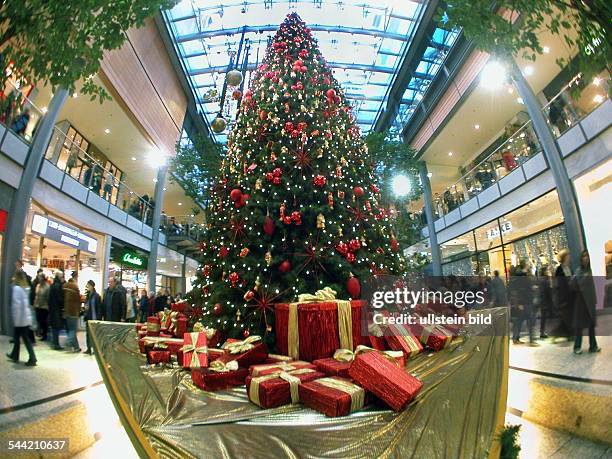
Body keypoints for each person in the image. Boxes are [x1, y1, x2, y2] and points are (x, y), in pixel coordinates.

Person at [572, 250, 601, 354]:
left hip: (590, 301)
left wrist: (595, 300)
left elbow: (591, 286)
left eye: (587, 256)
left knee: (591, 325)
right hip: (581, 302)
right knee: (579, 326)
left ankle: (593, 346)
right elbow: (577, 285)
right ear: (581, 259)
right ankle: (577, 347)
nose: (586, 258)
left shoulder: (589, 270)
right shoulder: (579, 271)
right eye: (584, 256)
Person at [6, 271, 37, 366]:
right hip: (25, 317)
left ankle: (32, 358)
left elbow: (17, 305)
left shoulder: (17, 289)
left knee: (24, 338)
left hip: (20, 319)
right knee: (18, 337)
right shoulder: (26, 288)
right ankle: (14, 355)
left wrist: (16, 319)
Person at [510, 259, 537, 345]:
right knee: (528, 320)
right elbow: (520, 290)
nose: (529, 265)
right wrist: (520, 303)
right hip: (525, 302)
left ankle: (516, 338)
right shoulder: (521, 276)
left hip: (526, 301)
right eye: (528, 263)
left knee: (520, 320)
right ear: (525, 265)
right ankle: (531, 340)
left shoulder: (522, 275)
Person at [554, 250, 574, 340]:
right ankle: (570, 335)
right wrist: (561, 300)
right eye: (568, 256)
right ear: (564, 257)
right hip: (564, 298)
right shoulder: (559, 269)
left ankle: (564, 334)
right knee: (567, 318)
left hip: (570, 296)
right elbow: (559, 285)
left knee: (566, 318)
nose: (569, 257)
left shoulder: (569, 268)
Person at [63, 275, 82, 352]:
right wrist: (79, 310)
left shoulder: (64, 286)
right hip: (74, 312)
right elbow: (78, 301)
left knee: (70, 329)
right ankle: (68, 341)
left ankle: (76, 347)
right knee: (73, 330)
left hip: (66, 311)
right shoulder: (75, 287)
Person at [48, 270, 65, 350]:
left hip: (52, 309)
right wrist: (63, 305)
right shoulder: (58, 286)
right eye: (62, 277)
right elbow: (60, 299)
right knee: (56, 327)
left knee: (54, 327)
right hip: (57, 309)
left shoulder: (53, 285)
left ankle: (54, 342)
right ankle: (56, 344)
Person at [84, 280, 102, 355]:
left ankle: (95, 349)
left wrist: (98, 317)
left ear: (92, 286)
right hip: (89, 317)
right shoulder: (88, 295)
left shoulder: (96, 296)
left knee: (94, 335)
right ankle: (88, 349)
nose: (87, 287)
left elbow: (99, 308)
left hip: (94, 318)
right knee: (88, 334)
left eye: (88, 285)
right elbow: (86, 305)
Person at [537, 266, 553, 339]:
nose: (548, 271)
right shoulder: (545, 280)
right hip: (545, 301)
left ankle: (542, 331)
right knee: (544, 317)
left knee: (544, 317)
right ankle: (542, 332)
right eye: (547, 270)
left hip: (543, 301)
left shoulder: (541, 280)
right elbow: (548, 291)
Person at [34, 272, 50, 341]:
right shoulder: (38, 286)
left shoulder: (47, 286)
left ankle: (44, 335)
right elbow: (36, 296)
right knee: (39, 320)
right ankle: (40, 333)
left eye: (40, 278)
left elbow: (48, 297)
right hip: (38, 306)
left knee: (44, 321)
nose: (39, 279)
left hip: (44, 307)